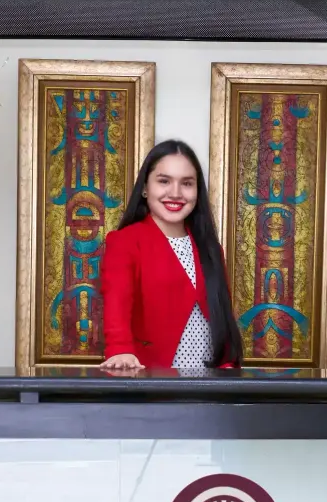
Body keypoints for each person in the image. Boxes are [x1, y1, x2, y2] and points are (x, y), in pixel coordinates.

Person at [99, 140, 243, 371]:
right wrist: (120, 348)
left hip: (213, 386)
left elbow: (221, 318)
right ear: (145, 188)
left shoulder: (212, 248)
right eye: (164, 181)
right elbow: (118, 299)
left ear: (198, 191)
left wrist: (228, 367)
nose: (175, 193)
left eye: (187, 183)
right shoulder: (125, 242)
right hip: (154, 384)